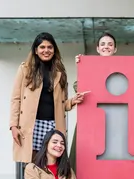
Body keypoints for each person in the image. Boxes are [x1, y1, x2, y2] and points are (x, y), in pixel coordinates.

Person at [10, 32, 88, 163]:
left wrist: (73, 101)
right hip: (32, 126)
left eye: (50, 47)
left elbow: (62, 104)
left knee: (52, 166)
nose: (46, 50)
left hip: (53, 125)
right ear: (36, 50)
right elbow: (15, 99)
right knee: (33, 166)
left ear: (54, 50)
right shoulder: (25, 69)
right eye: (42, 47)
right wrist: (13, 126)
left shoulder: (60, 72)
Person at [70, 32, 117, 171]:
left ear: (115, 49)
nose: (106, 47)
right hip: (91, 118)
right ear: (97, 49)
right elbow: (78, 87)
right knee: (83, 158)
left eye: (110, 44)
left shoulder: (121, 69)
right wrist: (81, 66)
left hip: (113, 119)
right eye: (102, 44)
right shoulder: (90, 68)